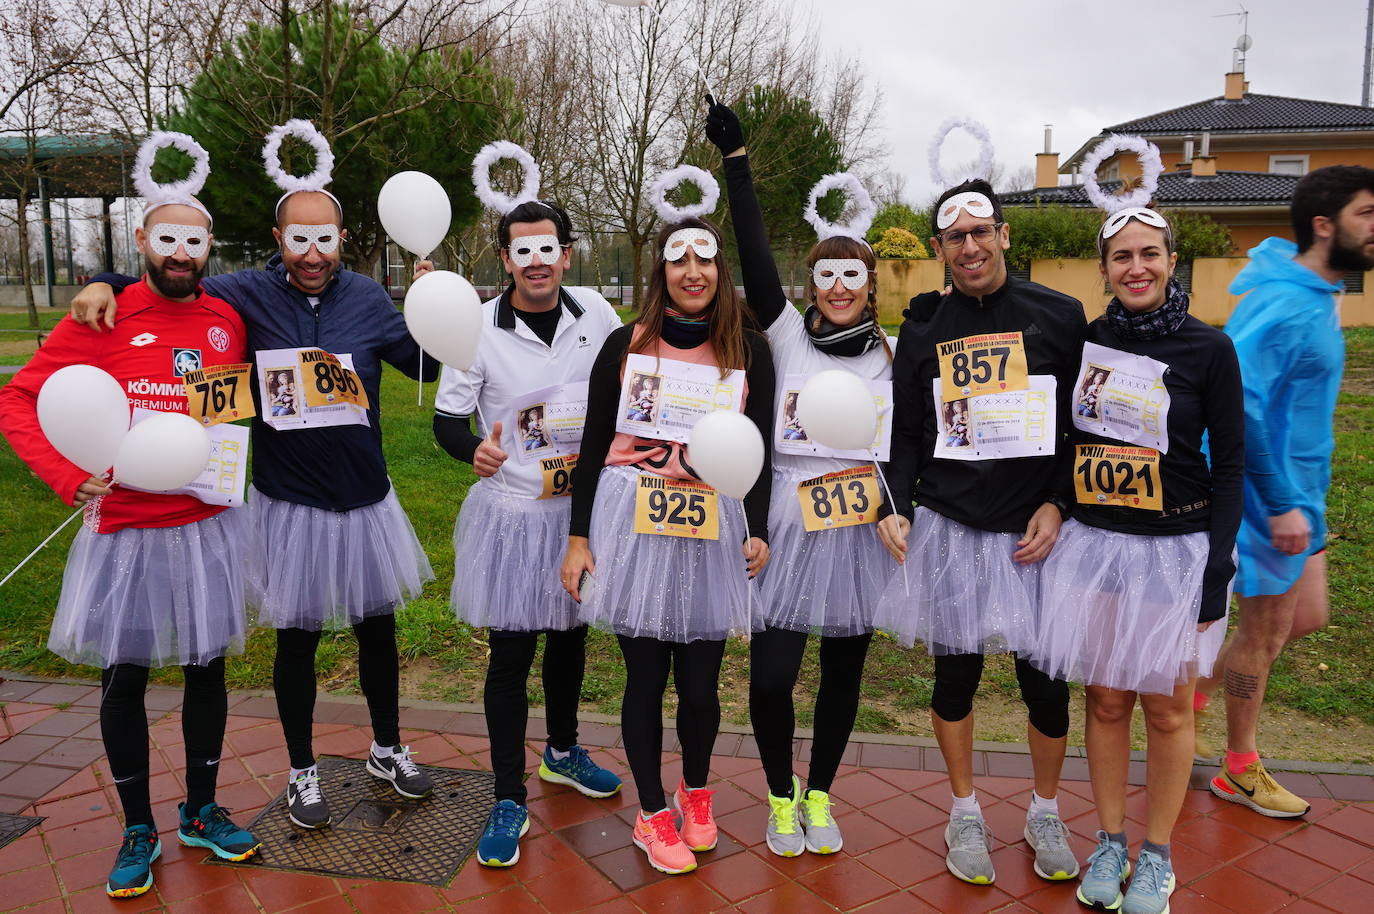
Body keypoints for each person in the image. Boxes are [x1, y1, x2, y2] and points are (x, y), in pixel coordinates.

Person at [68, 121, 440, 831]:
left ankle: (387, 746)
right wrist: (103, 281)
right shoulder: (244, 293)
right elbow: (175, 277)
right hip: (289, 497)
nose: (312, 253)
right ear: (279, 240)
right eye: (298, 238)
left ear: (342, 241)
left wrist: (431, 307)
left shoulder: (367, 297)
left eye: (325, 238)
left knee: (377, 631)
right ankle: (302, 770)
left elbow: (423, 367)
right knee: (296, 640)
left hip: (365, 495)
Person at [0, 147, 260, 898]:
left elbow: (224, 411)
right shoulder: (101, 314)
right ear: (142, 243)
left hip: (204, 525)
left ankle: (202, 809)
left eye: (196, 240)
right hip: (125, 534)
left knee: (207, 668)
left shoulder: (224, 321)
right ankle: (137, 823)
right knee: (127, 679)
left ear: (209, 248)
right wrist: (63, 475)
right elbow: (18, 400)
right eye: (167, 239)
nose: (182, 253)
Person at [1028, 187, 1243, 914]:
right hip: (1099, 547)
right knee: (1109, 699)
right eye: (1122, 256)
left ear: (1172, 261)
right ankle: (1110, 841)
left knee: (1170, 708)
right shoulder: (1087, 342)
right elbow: (1066, 445)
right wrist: (1057, 502)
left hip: (1176, 547)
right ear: (1106, 268)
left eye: (1149, 253)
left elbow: (1233, 465)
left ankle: (1156, 856)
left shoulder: (1210, 348)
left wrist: (1217, 567)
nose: (1137, 266)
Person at [874, 176, 1087, 886]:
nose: (970, 247)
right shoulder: (925, 327)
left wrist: (1060, 502)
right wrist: (894, 503)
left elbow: (1081, 430)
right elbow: (906, 433)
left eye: (981, 232)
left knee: (1047, 685)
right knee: (954, 678)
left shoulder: (1060, 315)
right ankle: (963, 809)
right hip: (955, 527)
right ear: (939, 248)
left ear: (1004, 235)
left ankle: (1045, 809)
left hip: (1035, 535)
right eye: (955, 237)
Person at [560, 174, 774, 876]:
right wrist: (580, 536)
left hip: (711, 520)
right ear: (662, 270)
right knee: (645, 679)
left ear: (721, 270)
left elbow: (761, 448)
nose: (692, 270)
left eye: (704, 258)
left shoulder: (748, 349)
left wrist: (758, 527)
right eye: (678, 258)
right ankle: (652, 812)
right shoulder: (625, 344)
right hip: (635, 519)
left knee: (705, 685)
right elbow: (592, 447)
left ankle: (696, 791)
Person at [707, 98, 894, 857]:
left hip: (858, 523)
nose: (839, 287)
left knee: (843, 673)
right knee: (772, 679)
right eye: (826, 274)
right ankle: (780, 796)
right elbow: (751, 252)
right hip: (785, 516)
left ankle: (820, 793)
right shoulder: (784, 334)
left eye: (853, 275)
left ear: (870, 282)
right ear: (810, 282)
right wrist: (737, 164)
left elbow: (907, 442)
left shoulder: (893, 354)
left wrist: (895, 504)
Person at [430, 185, 623, 868]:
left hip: (578, 515)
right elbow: (447, 420)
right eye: (523, 251)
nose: (537, 262)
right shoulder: (476, 328)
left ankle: (564, 752)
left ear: (566, 256)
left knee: (570, 641)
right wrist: (471, 449)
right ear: (507, 259)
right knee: (513, 655)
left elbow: (631, 385)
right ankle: (509, 795)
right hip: (512, 515)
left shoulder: (598, 314)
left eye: (549, 249)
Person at [1193, 165, 1367, 818]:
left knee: (1307, 617)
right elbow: (1241, 401)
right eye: (1367, 215)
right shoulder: (1289, 302)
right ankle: (1238, 767)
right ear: (1325, 226)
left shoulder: (1315, 288)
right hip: (1273, 500)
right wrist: (1281, 502)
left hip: (1303, 493)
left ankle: (1189, 696)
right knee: (1263, 635)